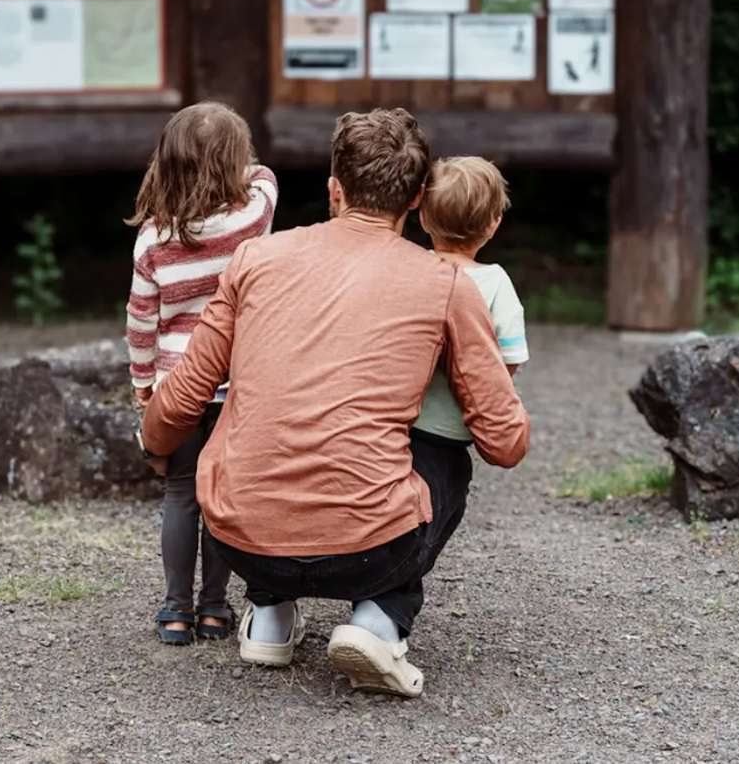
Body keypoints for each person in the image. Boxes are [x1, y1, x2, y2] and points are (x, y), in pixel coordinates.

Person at [141, 109, 529, 698]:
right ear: (419, 199)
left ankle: (269, 616)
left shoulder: (254, 261)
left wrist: (154, 445)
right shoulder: (447, 283)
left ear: (334, 188)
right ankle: (379, 620)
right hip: (373, 550)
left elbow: (188, 391)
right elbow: (504, 443)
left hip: (244, 541)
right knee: (447, 458)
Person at [125, 102, 278, 646]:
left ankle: (174, 609)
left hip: (178, 387)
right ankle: (215, 607)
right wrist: (241, 163)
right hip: (239, 385)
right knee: (222, 493)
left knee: (180, 492)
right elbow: (263, 176)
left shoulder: (153, 242)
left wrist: (145, 387)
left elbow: (141, 323)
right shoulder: (253, 216)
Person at [410, 156, 528, 579]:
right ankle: (399, 583)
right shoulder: (496, 283)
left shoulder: (411, 268)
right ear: (494, 224)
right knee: (442, 504)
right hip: (449, 434)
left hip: (395, 423)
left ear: (422, 216)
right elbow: (507, 363)